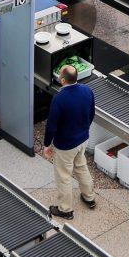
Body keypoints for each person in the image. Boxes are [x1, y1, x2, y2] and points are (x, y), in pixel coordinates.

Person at [43, 64, 98, 219]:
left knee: (64, 176)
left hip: (66, 145)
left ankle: (65, 210)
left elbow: (51, 126)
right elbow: (91, 113)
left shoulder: (59, 99)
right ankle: (89, 197)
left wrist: (47, 144)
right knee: (81, 167)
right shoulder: (87, 90)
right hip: (82, 139)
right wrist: (83, 129)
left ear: (62, 80)